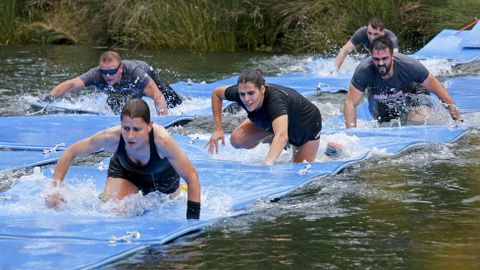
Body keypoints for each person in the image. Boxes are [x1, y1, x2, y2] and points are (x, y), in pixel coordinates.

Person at [45, 99, 201, 219]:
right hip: (126, 171)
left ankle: (178, 190)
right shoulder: (111, 137)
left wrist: (192, 227)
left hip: (162, 176)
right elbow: (70, 152)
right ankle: (109, 195)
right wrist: (55, 190)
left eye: (137, 129)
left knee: (168, 205)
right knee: (115, 213)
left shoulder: (162, 141)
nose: (130, 136)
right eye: (126, 128)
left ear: (149, 125)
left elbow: (192, 178)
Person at [206, 68, 322, 165]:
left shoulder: (275, 101)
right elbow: (216, 93)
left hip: (305, 127)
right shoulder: (240, 93)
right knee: (237, 140)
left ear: (262, 89)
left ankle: (329, 152)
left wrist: (266, 165)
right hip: (275, 122)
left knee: (298, 169)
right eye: (242, 94)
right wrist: (217, 129)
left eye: (251, 93)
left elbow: (282, 136)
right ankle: (272, 134)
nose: (246, 99)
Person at [343, 35, 462, 128]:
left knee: (418, 118)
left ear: (392, 56)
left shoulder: (410, 65)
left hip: (413, 94)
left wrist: (458, 121)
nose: (380, 63)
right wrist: (352, 134)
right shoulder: (364, 70)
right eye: (376, 59)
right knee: (385, 124)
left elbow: (440, 91)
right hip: (382, 101)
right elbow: (350, 103)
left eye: (385, 58)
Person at [39, 51, 183, 115]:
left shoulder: (135, 72)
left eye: (112, 72)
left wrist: (161, 124)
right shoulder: (96, 74)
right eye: (104, 72)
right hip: (123, 91)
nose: (107, 75)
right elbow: (71, 84)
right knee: (117, 108)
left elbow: (157, 96)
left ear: (121, 69)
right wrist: (51, 96)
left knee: (171, 101)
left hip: (144, 75)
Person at [335, 17, 399, 71]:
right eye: (369, 33)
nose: (372, 37)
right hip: (369, 55)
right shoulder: (361, 33)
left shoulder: (391, 38)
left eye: (375, 34)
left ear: (382, 32)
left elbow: (395, 57)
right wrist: (335, 70)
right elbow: (344, 51)